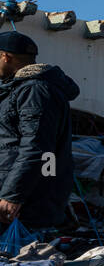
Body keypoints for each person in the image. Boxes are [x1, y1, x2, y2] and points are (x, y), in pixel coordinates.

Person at [0, 32, 80, 228]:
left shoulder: (34, 91)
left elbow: (37, 147)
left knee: (20, 255)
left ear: (5, 57)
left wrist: (12, 195)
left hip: (26, 204)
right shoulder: (21, 89)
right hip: (26, 196)